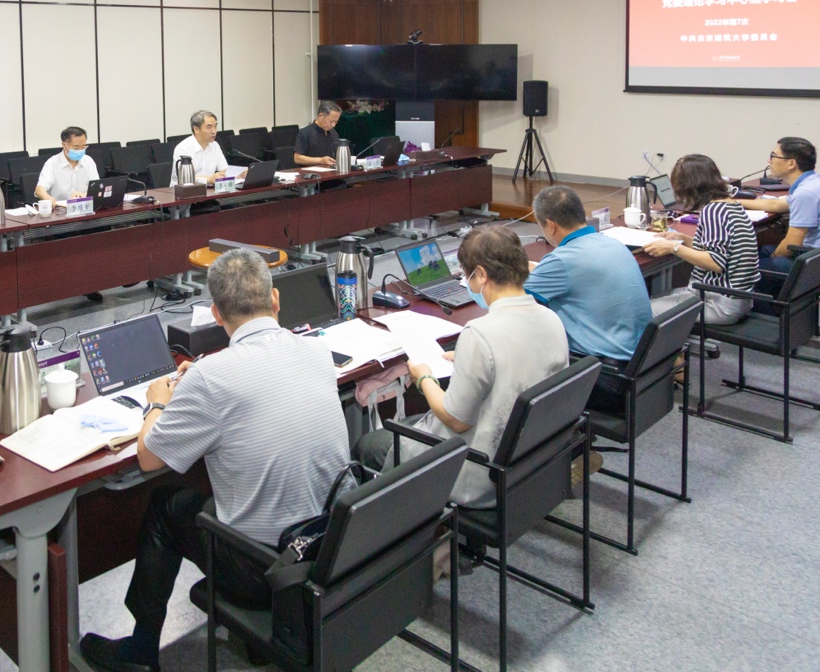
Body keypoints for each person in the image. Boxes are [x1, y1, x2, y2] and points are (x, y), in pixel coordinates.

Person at [79, 249, 351, 672]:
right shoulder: (316, 351)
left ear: (215, 314)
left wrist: (158, 404)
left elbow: (149, 459)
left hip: (266, 568)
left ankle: (141, 651)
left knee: (165, 505)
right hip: (326, 545)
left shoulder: (209, 378)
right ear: (275, 300)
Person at [355, 225, 568, 510]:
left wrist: (424, 377)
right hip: (529, 458)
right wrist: (468, 359)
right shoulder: (551, 319)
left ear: (480, 275)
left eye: (467, 275)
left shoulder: (480, 333)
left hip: (478, 470)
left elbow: (456, 420)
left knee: (369, 447)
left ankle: (395, 537)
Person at [527, 186, 651, 414]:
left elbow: (508, 299)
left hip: (605, 380)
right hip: (642, 373)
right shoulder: (612, 243)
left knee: (519, 360)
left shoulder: (563, 259)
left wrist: (475, 281)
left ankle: (560, 446)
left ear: (551, 224)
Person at [645, 154, 760, 324]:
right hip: (738, 298)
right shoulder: (730, 205)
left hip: (717, 303)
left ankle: (669, 348)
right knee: (654, 298)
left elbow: (715, 263)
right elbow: (718, 248)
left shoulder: (714, 212)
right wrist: (683, 239)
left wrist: (674, 248)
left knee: (642, 311)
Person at [738, 136, 820, 286]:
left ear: (791, 163)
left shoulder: (806, 193)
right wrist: (733, 201)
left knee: (746, 270)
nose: (769, 161)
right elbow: (776, 205)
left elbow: (790, 245)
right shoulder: (814, 183)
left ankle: (770, 307)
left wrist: (774, 257)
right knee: (763, 250)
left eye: (773, 156)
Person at [36, 125, 100, 203]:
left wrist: (84, 195)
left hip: (85, 206)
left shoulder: (88, 161)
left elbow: (97, 188)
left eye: (83, 147)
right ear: (64, 145)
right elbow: (39, 189)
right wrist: (47, 198)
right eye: (76, 147)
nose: (80, 150)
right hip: (60, 210)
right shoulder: (52, 163)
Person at [170, 110, 228, 186]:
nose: (214, 131)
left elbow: (223, 171)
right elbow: (185, 179)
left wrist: (238, 176)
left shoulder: (215, 145)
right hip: (183, 193)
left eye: (215, 126)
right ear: (196, 129)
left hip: (208, 192)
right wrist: (209, 179)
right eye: (209, 127)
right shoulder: (183, 148)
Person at [294, 102, 342, 167]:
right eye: (331, 121)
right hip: (309, 173)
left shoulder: (334, 133)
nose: (333, 125)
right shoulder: (305, 133)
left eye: (336, 122)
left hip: (331, 172)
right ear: (320, 116)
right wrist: (321, 160)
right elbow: (297, 158)